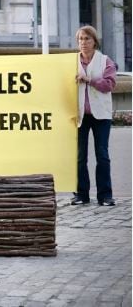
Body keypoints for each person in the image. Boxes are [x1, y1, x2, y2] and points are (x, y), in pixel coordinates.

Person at [71, 25, 117, 207]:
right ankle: (81, 194)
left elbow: (110, 84)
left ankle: (105, 195)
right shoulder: (71, 61)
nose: (83, 43)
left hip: (101, 115)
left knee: (102, 155)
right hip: (79, 114)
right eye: (81, 39)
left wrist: (90, 80)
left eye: (87, 39)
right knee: (80, 156)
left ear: (94, 41)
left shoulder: (105, 61)